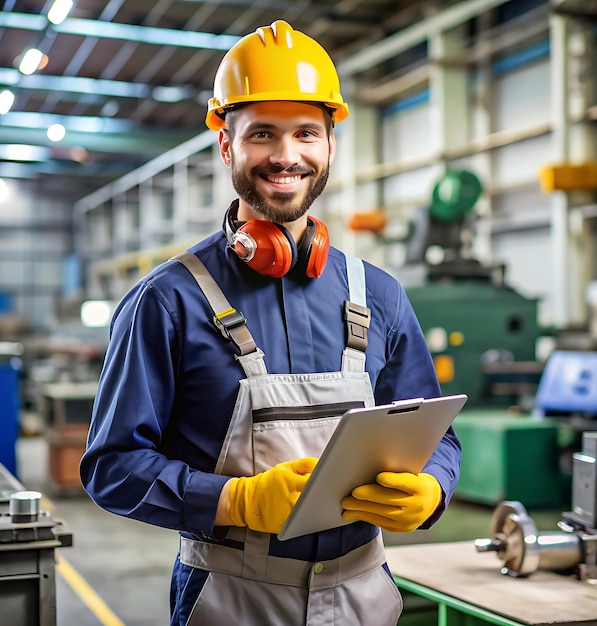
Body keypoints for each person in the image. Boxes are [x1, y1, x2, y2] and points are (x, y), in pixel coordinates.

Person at [80, 19, 461, 626]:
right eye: (262, 134)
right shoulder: (167, 301)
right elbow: (112, 468)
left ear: (331, 145)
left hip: (365, 591)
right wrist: (235, 499)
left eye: (306, 132)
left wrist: (434, 488)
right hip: (231, 597)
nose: (287, 156)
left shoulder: (380, 295)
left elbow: (436, 433)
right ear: (227, 145)